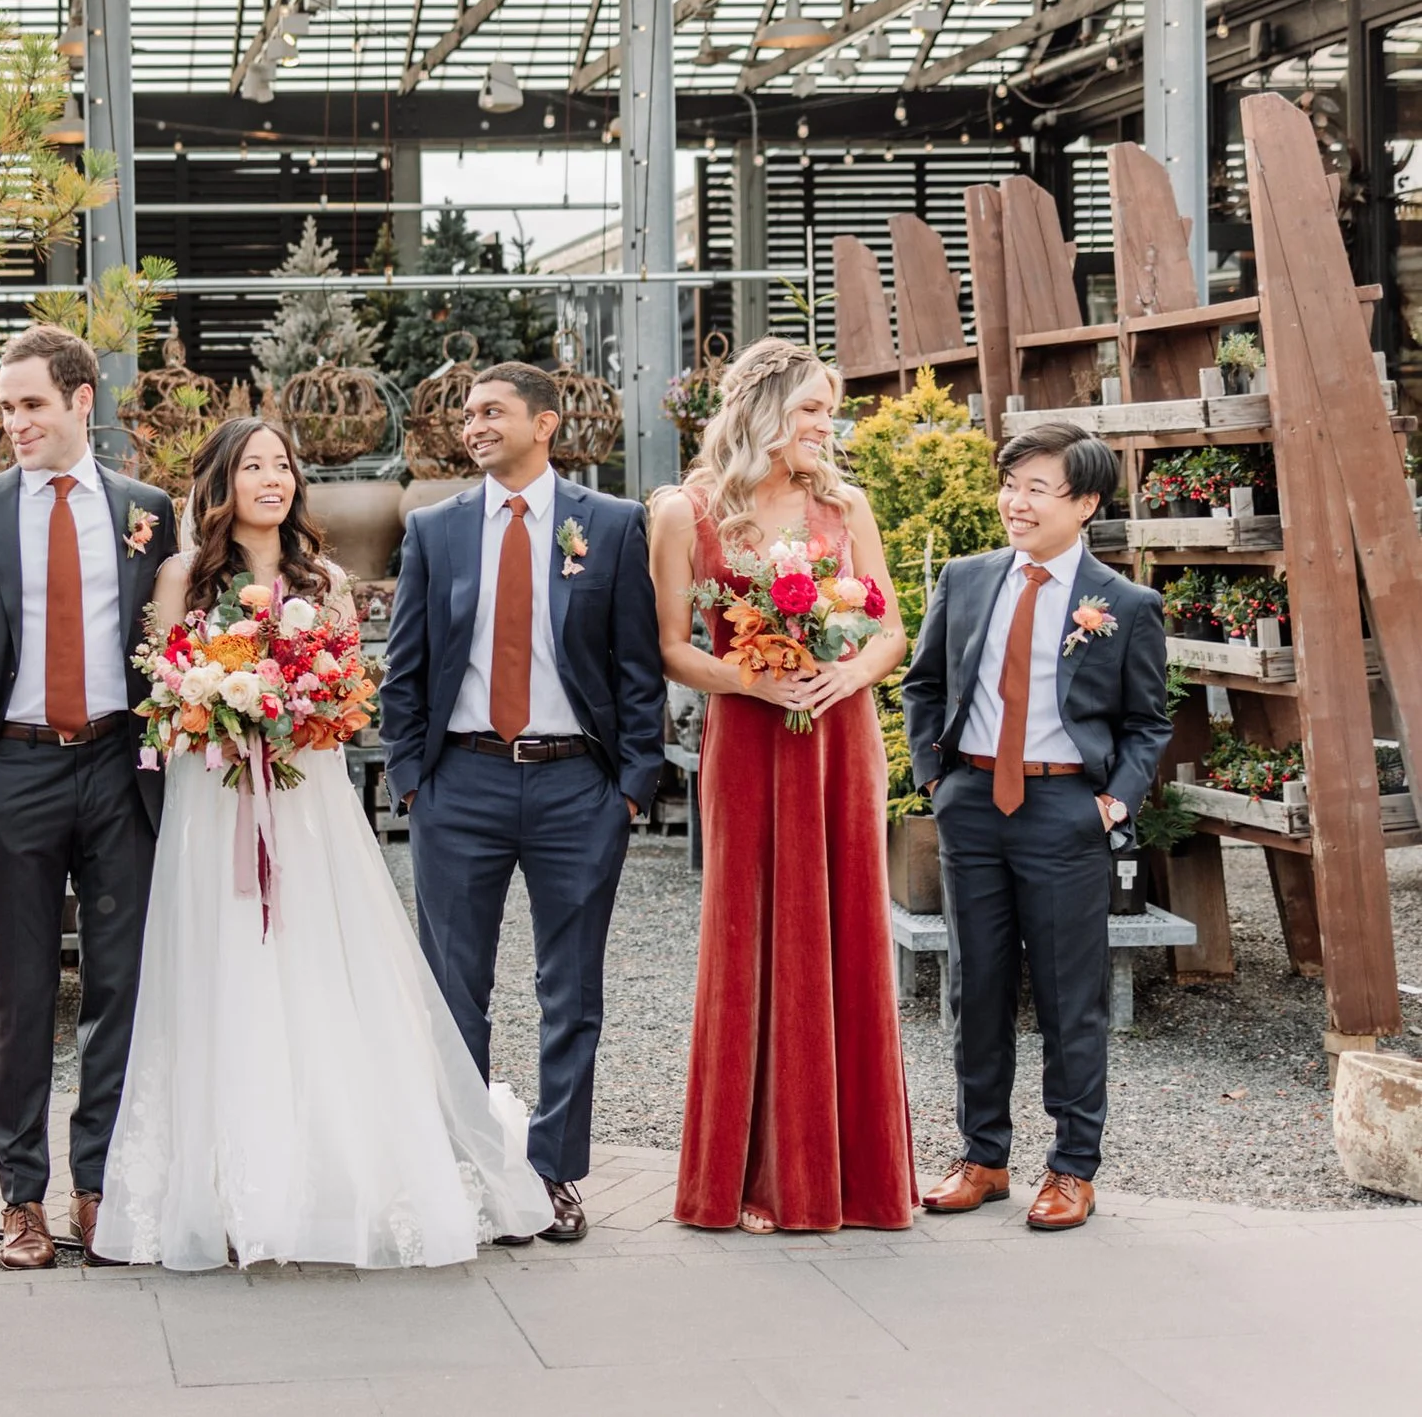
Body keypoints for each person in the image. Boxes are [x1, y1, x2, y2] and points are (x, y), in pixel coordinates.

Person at [92, 418, 552, 1269]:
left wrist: (292, 707)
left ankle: (336, 1180)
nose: (273, 478)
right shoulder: (179, 578)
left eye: (282, 465)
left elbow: (348, 697)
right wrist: (216, 705)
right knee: (222, 972)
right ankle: (225, 1188)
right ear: (221, 482)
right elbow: (155, 698)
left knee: (318, 970)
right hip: (214, 807)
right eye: (254, 465)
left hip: (306, 808)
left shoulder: (327, 578)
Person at [380, 362, 665, 1244]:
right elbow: (406, 666)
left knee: (570, 989)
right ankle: (464, 1171)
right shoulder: (434, 528)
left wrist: (630, 787)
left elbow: (636, 666)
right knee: (454, 988)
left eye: (492, 411)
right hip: (458, 784)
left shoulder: (610, 526)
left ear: (544, 424)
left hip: (575, 786)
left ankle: (554, 1173)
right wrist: (412, 778)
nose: (474, 425)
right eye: (468, 414)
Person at [0, 325, 178, 1269]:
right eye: (5, 405)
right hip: (15, 774)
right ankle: (19, 1197)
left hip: (119, 770)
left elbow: (168, 647)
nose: (14, 421)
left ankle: (97, 1183)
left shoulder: (149, 512)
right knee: (18, 995)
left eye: (31, 403)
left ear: (81, 401)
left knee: (121, 986)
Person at [649, 338, 918, 1235]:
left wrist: (851, 677)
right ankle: (752, 1172)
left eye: (827, 410)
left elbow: (889, 627)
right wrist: (754, 682)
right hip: (752, 737)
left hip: (840, 737)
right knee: (748, 930)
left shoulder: (846, 505)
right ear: (761, 410)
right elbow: (675, 649)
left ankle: (854, 1175)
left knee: (844, 930)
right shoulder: (687, 513)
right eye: (810, 408)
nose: (824, 425)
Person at [901, 420, 1169, 1233]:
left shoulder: (1124, 604)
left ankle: (1072, 1167)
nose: (1015, 503)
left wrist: (1111, 804)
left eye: (1036, 489)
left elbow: (1148, 724)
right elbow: (924, 686)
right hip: (973, 804)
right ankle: (982, 1156)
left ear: (1086, 503)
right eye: (1009, 485)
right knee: (973, 986)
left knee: (1069, 996)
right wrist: (936, 778)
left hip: (1064, 811)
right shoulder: (968, 577)